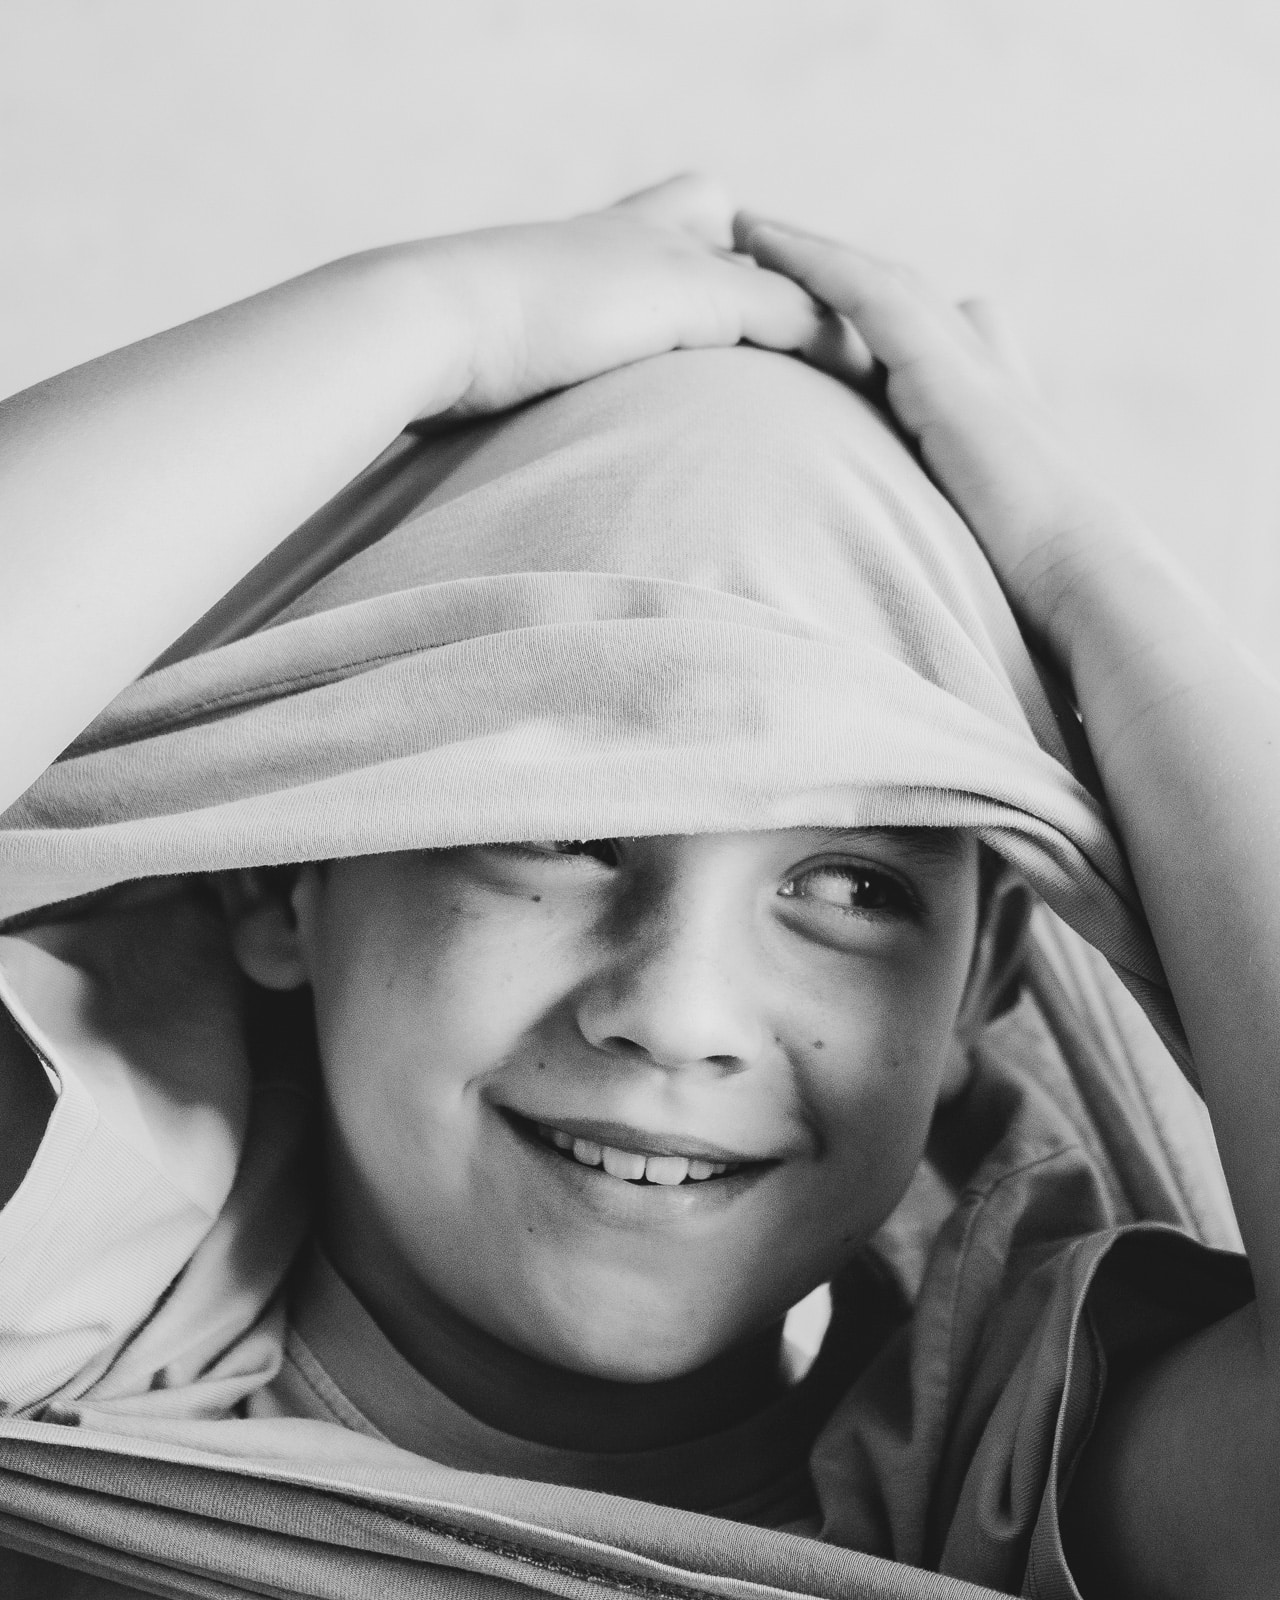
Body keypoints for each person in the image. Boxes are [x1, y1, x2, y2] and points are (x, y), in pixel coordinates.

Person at [0, 175, 1274, 1600]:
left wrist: (1086, 566)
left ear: (983, 973)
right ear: (281, 878)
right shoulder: (79, 1270)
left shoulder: (1005, 1474)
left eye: (851, 885)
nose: (677, 1015)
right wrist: (438, 316)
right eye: (559, 832)